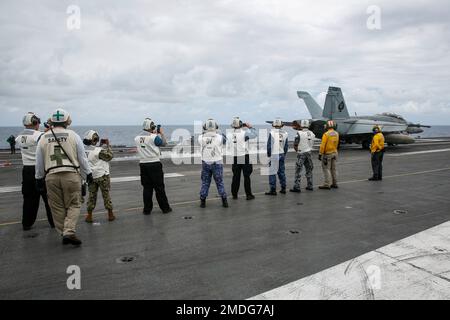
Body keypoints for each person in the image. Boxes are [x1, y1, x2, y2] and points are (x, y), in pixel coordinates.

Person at [35, 108, 92, 246]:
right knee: (74, 203)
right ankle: (69, 231)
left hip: (51, 176)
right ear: (67, 121)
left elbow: (39, 160)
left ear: (52, 121)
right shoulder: (73, 135)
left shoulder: (43, 137)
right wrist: (88, 173)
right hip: (71, 175)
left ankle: (63, 232)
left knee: (56, 206)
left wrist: (38, 177)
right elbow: (82, 157)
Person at [15, 112, 54, 230]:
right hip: (40, 169)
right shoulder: (39, 135)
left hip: (26, 169)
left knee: (29, 199)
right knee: (49, 198)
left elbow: (32, 137)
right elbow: (45, 140)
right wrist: (50, 129)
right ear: (35, 122)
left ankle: (27, 223)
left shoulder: (18, 137)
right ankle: (54, 222)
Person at [135, 118, 172, 215]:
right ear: (151, 127)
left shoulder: (137, 138)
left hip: (143, 164)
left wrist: (154, 134)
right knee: (159, 188)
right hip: (154, 163)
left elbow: (146, 143)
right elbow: (164, 143)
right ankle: (165, 208)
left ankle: (147, 210)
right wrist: (161, 133)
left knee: (147, 188)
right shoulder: (153, 137)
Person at [83, 130, 115, 222]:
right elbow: (109, 156)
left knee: (91, 196)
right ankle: (110, 214)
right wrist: (108, 146)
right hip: (102, 175)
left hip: (91, 176)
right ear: (95, 139)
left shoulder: (84, 149)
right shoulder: (99, 151)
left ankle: (89, 215)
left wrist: (100, 147)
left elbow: (94, 155)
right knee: (106, 195)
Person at [199, 118, 228, 208]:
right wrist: (217, 131)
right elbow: (225, 139)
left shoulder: (200, 137)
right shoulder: (220, 137)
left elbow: (202, 136)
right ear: (216, 127)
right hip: (217, 163)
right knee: (219, 182)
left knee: (205, 183)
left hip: (206, 163)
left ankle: (203, 201)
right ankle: (224, 201)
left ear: (205, 127)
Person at [226, 117, 257, 200]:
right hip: (244, 156)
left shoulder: (229, 135)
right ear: (241, 125)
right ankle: (248, 194)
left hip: (235, 156)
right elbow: (254, 135)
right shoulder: (244, 133)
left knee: (236, 176)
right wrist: (250, 127)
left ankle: (234, 194)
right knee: (246, 176)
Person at [290, 120, 315, 193]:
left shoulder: (299, 133)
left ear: (301, 125)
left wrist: (297, 151)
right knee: (309, 169)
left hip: (301, 153)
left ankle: (297, 187)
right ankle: (310, 185)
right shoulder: (312, 133)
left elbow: (295, 144)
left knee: (298, 171)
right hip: (309, 152)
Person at [265, 119, 289, 195]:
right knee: (281, 172)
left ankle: (273, 189)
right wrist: (283, 154)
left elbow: (269, 146)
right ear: (281, 125)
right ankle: (283, 188)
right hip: (281, 153)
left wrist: (269, 155)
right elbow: (286, 146)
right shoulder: (285, 133)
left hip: (274, 154)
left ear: (273, 125)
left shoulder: (272, 133)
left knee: (272, 172)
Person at [318, 120, 339, 190]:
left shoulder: (326, 134)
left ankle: (327, 184)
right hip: (335, 153)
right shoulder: (336, 133)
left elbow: (322, 145)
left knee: (326, 169)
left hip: (327, 154)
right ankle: (335, 183)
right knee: (334, 169)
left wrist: (320, 154)